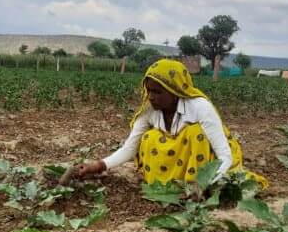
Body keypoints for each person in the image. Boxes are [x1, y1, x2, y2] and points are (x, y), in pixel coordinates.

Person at [74, 59, 267, 189]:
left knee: (196, 133)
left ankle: (193, 185)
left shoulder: (200, 107)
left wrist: (205, 184)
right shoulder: (149, 109)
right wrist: (97, 165)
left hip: (208, 161)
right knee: (149, 138)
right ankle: (166, 185)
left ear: (174, 90)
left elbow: (224, 156)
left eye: (158, 92)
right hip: (180, 159)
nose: (151, 97)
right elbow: (130, 148)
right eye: (149, 91)